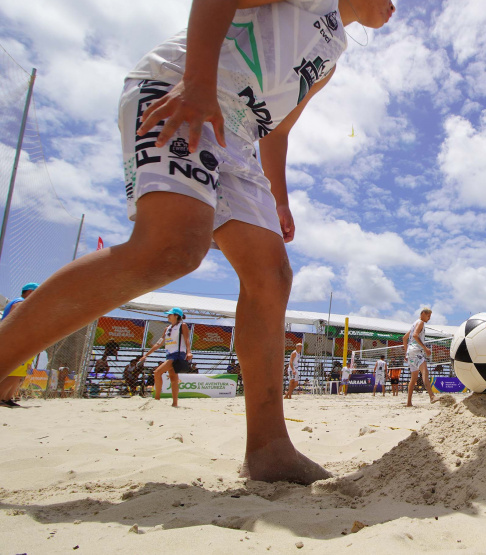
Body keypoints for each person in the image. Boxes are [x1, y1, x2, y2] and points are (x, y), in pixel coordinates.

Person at [0, 0, 396, 484]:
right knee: (172, 249)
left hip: (240, 135)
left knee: (271, 276)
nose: (397, 6)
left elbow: (280, 129)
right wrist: (199, 81)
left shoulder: (331, 55)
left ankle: (269, 449)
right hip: (183, 87)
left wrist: (281, 198)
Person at [139, 308, 191, 407]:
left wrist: (189, 352)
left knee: (157, 372)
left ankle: (157, 399)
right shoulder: (167, 328)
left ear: (176, 316)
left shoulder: (182, 326)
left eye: (170, 315)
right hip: (169, 354)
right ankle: (175, 403)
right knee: (173, 378)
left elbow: (187, 339)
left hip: (178, 354)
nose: (168, 316)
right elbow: (158, 343)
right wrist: (146, 355)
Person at [404, 308, 437, 407]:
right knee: (425, 371)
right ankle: (431, 396)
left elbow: (404, 338)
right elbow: (415, 335)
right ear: (423, 314)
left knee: (413, 378)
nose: (429, 318)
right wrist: (425, 348)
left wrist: (406, 353)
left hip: (410, 352)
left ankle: (409, 402)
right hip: (416, 350)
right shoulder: (421, 322)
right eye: (428, 316)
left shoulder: (414, 324)